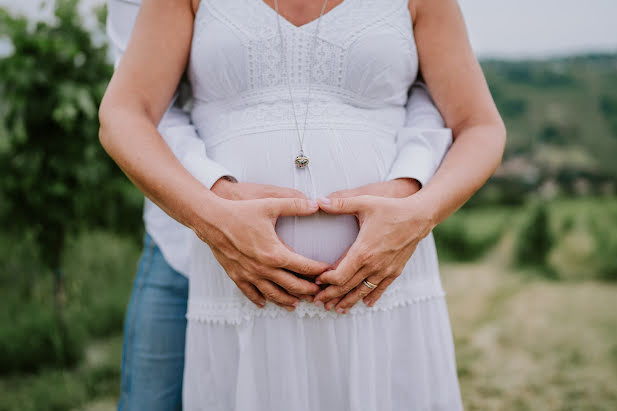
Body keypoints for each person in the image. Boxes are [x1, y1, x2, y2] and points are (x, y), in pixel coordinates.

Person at [100, 0, 506, 409]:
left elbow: (479, 125)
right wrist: (211, 216)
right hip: (239, 287)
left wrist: (419, 214)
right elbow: (125, 112)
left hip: (384, 288)